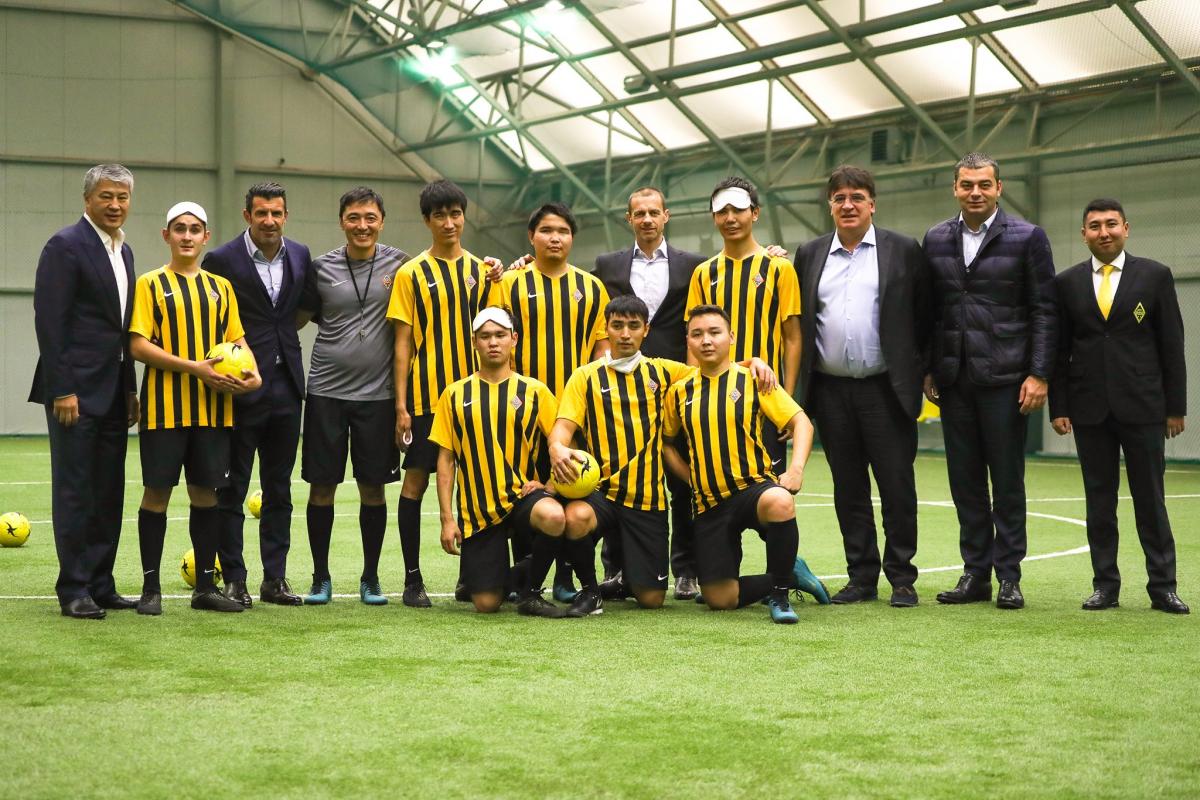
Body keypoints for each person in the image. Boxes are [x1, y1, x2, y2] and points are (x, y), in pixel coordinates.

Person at [549, 295, 779, 615]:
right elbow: (563, 426)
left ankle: (633, 578)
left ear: (646, 330)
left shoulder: (663, 372)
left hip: (647, 498)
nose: (625, 334)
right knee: (575, 517)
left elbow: (713, 371)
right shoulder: (585, 377)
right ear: (606, 330)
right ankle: (590, 592)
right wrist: (558, 446)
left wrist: (753, 362)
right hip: (601, 491)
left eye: (633, 326)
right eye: (617, 326)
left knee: (652, 599)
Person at [923, 152, 1057, 610]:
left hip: (1005, 378)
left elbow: (1044, 309)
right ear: (955, 189)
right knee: (964, 482)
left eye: (984, 184)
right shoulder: (936, 239)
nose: (975, 192)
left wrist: (1039, 373)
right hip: (954, 380)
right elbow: (931, 311)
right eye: (966, 184)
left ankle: (1009, 576)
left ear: (999, 188)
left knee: (1007, 480)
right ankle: (975, 573)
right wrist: (929, 367)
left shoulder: (1028, 237)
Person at [795, 166, 930, 607]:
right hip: (831, 392)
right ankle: (861, 576)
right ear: (830, 205)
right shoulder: (809, 254)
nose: (848, 205)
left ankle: (902, 577)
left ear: (872, 203)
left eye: (856, 197)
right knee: (848, 488)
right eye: (839, 198)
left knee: (896, 487)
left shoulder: (903, 250)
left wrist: (922, 373)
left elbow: (927, 316)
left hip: (886, 391)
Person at [1049, 199, 1188, 614]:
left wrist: (1175, 407)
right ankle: (1105, 585)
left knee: (1151, 500)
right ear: (1084, 234)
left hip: (1144, 407)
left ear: (1126, 228)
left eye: (1111, 224)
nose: (1103, 232)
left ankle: (1163, 586)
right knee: (1099, 500)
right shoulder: (1066, 283)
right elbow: (1059, 351)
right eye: (1094, 226)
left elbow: (1171, 345)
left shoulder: (1155, 276)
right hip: (1089, 409)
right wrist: (1060, 405)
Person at [128, 202, 262, 615]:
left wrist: (253, 375)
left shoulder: (220, 288)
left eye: (195, 230)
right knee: (157, 496)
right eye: (179, 229)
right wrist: (195, 368)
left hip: (213, 413)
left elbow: (237, 344)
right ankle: (151, 590)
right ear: (166, 236)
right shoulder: (150, 284)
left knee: (206, 497)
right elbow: (137, 344)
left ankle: (205, 588)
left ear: (207, 237)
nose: (187, 236)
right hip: (163, 411)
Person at [662, 305, 827, 624]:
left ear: (731, 337)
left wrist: (795, 469)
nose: (706, 340)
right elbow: (667, 443)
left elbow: (802, 423)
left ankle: (778, 595)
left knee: (780, 500)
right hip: (710, 504)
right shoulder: (679, 391)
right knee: (719, 600)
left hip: (754, 490)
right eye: (697, 334)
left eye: (714, 332)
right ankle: (789, 574)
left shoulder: (753, 379)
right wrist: (691, 479)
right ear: (688, 341)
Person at [30, 164, 140, 619]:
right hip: (74, 394)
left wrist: (130, 390)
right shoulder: (65, 245)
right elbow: (50, 322)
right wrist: (63, 388)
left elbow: (123, 330)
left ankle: (101, 582)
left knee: (108, 491)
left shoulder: (125, 251)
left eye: (122, 197)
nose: (115, 205)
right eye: (106, 197)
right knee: (75, 491)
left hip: (114, 393)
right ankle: (73, 588)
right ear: (87, 200)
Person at [387, 180, 501, 608]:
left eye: (456, 214)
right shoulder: (410, 273)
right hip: (424, 400)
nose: (449, 223)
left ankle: (469, 576)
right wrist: (400, 405)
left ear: (463, 217)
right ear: (426, 221)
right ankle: (412, 579)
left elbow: (496, 331)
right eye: (440, 215)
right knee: (414, 482)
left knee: (475, 486)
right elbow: (403, 342)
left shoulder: (483, 272)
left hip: (474, 399)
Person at [491, 202, 611, 602]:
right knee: (527, 491)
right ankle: (526, 576)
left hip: (576, 413)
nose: (554, 237)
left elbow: (601, 349)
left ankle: (566, 576)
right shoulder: (510, 284)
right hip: (521, 408)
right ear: (531, 237)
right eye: (546, 230)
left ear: (572, 237)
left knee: (572, 491)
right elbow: (496, 339)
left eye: (562, 230)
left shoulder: (592, 288)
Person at [296, 187, 408, 607]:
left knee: (372, 490)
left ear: (382, 221)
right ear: (342, 220)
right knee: (321, 488)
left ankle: (371, 578)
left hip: (377, 397)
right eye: (354, 218)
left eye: (370, 218)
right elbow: (294, 318)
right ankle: (320, 576)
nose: (362, 225)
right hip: (325, 391)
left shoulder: (401, 265)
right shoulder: (320, 267)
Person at [203, 182, 311, 608]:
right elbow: (211, 321)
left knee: (279, 490)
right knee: (232, 489)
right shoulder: (221, 260)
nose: (270, 220)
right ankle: (235, 579)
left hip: (288, 389)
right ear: (247, 215)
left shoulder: (300, 255)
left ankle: (275, 580)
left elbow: (300, 310)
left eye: (277, 213)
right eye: (261, 213)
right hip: (240, 391)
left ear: (285, 216)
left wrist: (279, 343)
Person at [430, 307, 571, 618]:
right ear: (474, 343)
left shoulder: (535, 391)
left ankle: (531, 594)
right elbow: (446, 460)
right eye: (485, 336)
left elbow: (561, 443)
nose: (493, 342)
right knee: (486, 604)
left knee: (554, 515)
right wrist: (446, 519)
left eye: (499, 335)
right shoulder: (454, 394)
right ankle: (498, 578)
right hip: (479, 510)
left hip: (522, 498)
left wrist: (547, 486)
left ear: (513, 339)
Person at [685, 177, 802, 467]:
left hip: (765, 396)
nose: (730, 218)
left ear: (755, 213)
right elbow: (693, 339)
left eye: (738, 209)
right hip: (713, 398)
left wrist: (786, 399)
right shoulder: (703, 273)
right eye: (722, 211)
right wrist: (691, 392)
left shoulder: (780, 268)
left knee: (770, 495)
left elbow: (792, 338)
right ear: (713, 218)